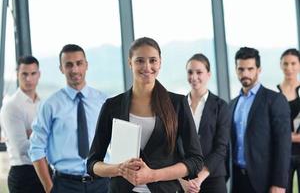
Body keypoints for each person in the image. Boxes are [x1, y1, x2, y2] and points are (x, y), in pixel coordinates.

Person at [87, 37, 203, 193]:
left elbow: (195, 160)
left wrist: (153, 175)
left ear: (160, 63)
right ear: (130, 63)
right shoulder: (112, 106)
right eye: (140, 61)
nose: (147, 67)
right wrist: (119, 169)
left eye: (153, 60)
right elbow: (93, 164)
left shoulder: (177, 104)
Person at [29, 44, 109, 193]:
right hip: (65, 185)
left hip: (102, 184)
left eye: (79, 63)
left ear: (86, 65)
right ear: (61, 68)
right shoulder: (50, 105)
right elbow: (36, 148)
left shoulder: (103, 101)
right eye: (69, 65)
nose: (75, 70)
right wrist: (49, 187)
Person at [229, 47, 291, 193]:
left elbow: (283, 144)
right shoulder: (232, 104)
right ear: (236, 70)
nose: (245, 74)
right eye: (241, 69)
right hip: (238, 179)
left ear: (259, 69)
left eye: (250, 69)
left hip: (265, 181)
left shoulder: (275, 100)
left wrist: (279, 183)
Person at [179, 53, 231, 193]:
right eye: (190, 72)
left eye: (199, 72)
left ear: (208, 74)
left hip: (213, 178)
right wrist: (183, 180)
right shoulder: (179, 105)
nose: (194, 77)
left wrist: (199, 178)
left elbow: (221, 148)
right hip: (185, 179)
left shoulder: (221, 106)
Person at [0, 56, 44, 193]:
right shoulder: (11, 106)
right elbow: (23, 149)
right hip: (23, 173)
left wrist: (34, 134)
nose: (29, 79)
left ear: (39, 75)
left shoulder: (42, 104)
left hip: (44, 171)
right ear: (17, 74)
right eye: (24, 74)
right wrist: (46, 136)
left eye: (33, 74)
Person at [277, 48, 300, 193]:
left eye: (293, 63)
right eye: (285, 64)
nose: (289, 68)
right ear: (280, 65)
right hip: (282, 155)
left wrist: (286, 137)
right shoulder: (274, 94)